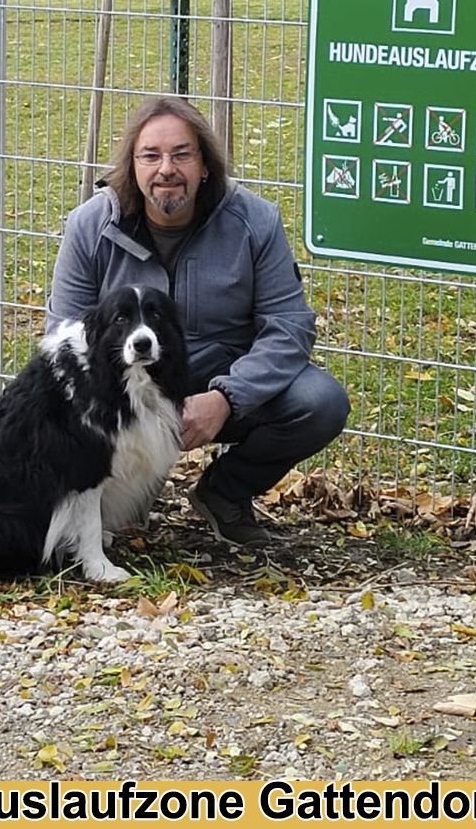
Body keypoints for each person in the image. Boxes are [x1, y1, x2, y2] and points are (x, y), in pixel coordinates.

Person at [48, 96, 351, 548]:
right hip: (127, 392)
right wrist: (123, 410)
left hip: (222, 377)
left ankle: (225, 493)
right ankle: (112, 500)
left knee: (319, 401)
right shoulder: (91, 225)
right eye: (150, 156)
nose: (166, 168)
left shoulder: (256, 221)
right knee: (121, 529)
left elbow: (289, 326)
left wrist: (227, 396)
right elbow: (63, 337)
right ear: (131, 166)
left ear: (205, 165)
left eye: (182, 154)